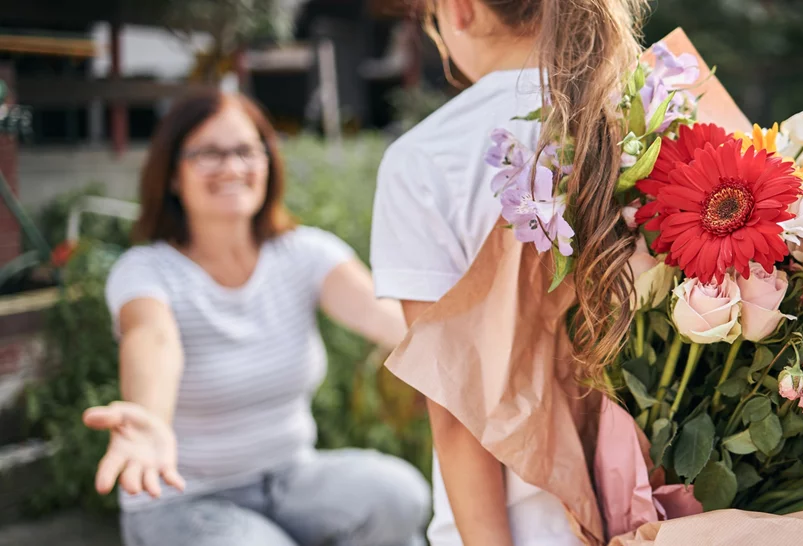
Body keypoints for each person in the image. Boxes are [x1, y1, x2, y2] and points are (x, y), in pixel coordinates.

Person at [82, 90, 430, 546]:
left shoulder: (305, 253)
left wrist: (462, 350)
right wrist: (148, 419)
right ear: (171, 174)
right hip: (185, 500)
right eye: (208, 153)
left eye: (246, 150)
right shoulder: (146, 270)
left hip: (291, 479)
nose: (231, 167)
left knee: (400, 496)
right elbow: (153, 340)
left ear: (267, 163)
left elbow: (384, 314)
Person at [370, 0, 647, 544]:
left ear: (460, 10)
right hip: (671, 514)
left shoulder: (425, 159)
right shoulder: (652, 116)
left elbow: (455, 410)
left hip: (525, 527)